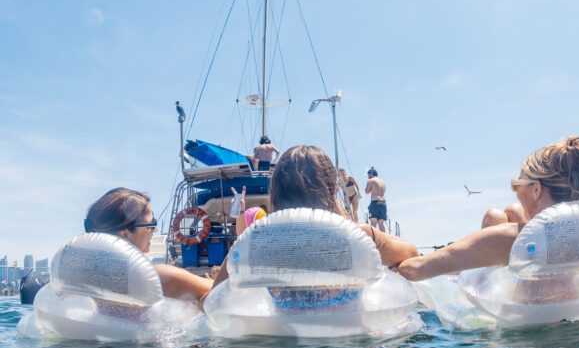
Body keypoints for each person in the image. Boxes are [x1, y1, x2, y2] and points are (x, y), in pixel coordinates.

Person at [211, 146, 418, 288]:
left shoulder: (254, 242)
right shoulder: (357, 235)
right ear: (329, 189)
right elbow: (410, 253)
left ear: (276, 191)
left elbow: (213, 298)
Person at [398, 135, 579, 281]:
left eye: (517, 185)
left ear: (535, 189)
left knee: (495, 217)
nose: (516, 192)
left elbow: (415, 269)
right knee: (507, 212)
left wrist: (400, 260)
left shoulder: (514, 239)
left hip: (522, 331)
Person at [84, 188, 213, 302]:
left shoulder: (86, 279)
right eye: (151, 224)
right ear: (125, 234)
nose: (155, 230)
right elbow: (222, 291)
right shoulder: (156, 276)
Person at [365, 167, 387, 232]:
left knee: (373, 224)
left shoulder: (371, 180)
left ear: (371, 174)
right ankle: (384, 239)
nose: (368, 177)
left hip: (375, 203)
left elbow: (367, 191)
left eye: (368, 175)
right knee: (381, 224)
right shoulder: (383, 182)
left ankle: (374, 241)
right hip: (383, 204)